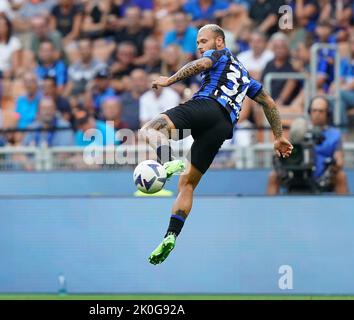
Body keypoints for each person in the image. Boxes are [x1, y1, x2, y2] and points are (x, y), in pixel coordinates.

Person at [140, 24, 293, 265]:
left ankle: (168, 162)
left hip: (207, 105)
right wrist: (279, 135)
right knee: (187, 184)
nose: (200, 46)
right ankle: (171, 235)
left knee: (149, 129)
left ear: (219, 41)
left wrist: (169, 80)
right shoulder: (245, 76)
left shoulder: (218, 54)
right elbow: (269, 103)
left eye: (203, 41)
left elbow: (202, 64)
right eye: (198, 43)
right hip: (223, 126)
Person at [267, 96, 349, 195]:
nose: (317, 114)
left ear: (328, 113)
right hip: (296, 172)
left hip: (323, 176)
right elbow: (288, 150)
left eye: (321, 111)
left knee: (341, 176)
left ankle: (343, 208)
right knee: (273, 176)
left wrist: (335, 165)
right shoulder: (300, 130)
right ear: (310, 112)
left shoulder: (335, 134)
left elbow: (339, 159)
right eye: (314, 111)